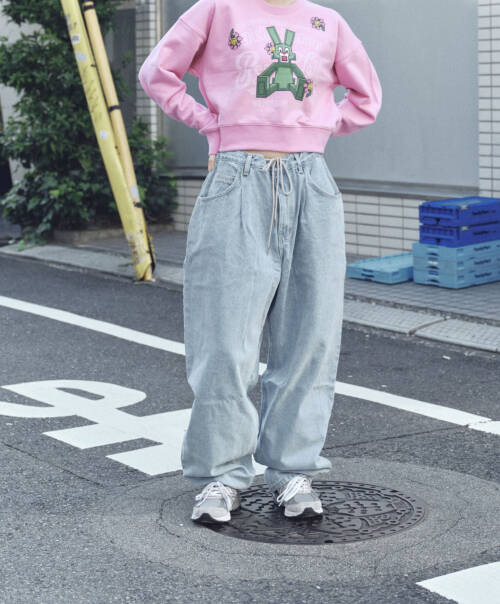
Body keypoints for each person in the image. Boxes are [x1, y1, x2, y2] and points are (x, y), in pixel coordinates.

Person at [138, 0, 382, 524]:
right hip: (236, 180)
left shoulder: (327, 22)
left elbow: (367, 98)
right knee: (224, 342)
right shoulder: (216, 10)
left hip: (312, 184)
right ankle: (220, 475)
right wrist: (211, 125)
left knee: (309, 339)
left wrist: (318, 125)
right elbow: (157, 72)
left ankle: (292, 469)